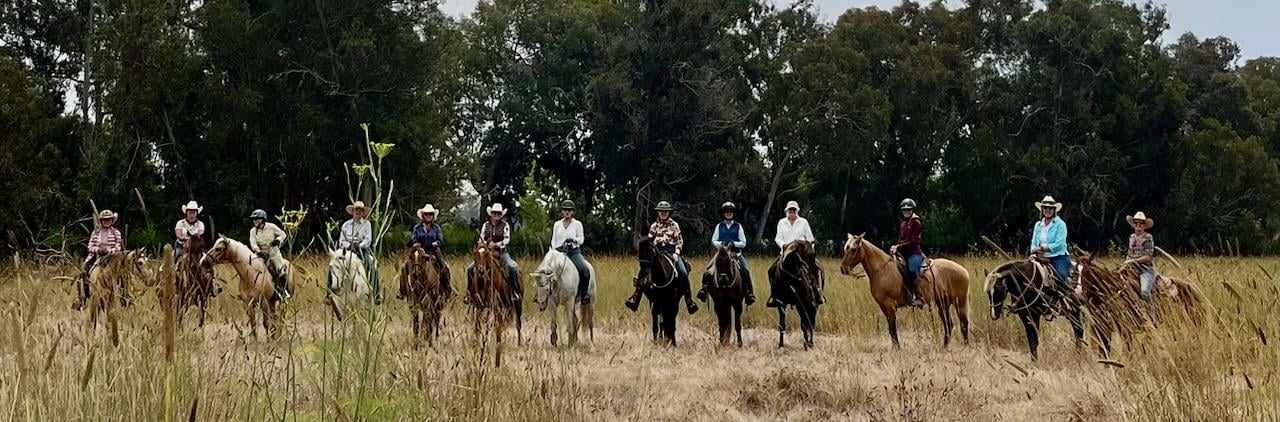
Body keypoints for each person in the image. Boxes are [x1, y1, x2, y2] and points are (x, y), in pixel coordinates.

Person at [625, 201, 698, 314]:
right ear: (658, 212)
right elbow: (649, 241)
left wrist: (676, 253)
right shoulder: (654, 226)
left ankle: (689, 301)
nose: (663, 213)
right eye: (661, 211)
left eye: (665, 211)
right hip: (657, 253)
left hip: (671, 253)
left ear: (669, 212)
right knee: (642, 271)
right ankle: (635, 298)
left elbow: (679, 241)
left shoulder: (674, 225)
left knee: (683, 272)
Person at [697, 201, 755, 305]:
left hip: (735, 254)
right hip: (721, 254)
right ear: (723, 213)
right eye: (726, 211)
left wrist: (734, 244)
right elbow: (713, 240)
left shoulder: (738, 226)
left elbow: (744, 243)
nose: (728, 213)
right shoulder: (719, 226)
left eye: (731, 211)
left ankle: (749, 293)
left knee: (745, 271)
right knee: (708, 271)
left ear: (733, 213)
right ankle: (704, 290)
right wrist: (721, 244)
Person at [469, 203, 521, 301]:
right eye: (494, 213)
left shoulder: (505, 225)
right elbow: (482, 238)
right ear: (491, 214)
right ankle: (470, 293)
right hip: (486, 253)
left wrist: (496, 244)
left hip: (501, 252)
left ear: (501, 215)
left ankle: (514, 292)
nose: (496, 215)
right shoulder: (486, 225)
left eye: (498, 213)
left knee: (512, 267)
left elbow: (507, 239)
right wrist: (483, 244)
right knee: (470, 268)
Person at [770, 201, 819, 307]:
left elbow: (810, 239)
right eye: (790, 210)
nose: (792, 212)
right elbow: (778, 238)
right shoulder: (781, 222)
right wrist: (784, 246)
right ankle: (775, 296)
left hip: (801, 255)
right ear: (786, 211)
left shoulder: (804, 222)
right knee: (771, 270)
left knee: (815, 268)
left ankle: (817, 293)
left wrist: (808, 250)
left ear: (797, 211)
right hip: (786, 254)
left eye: (794, 210)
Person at [75, 209, 123, 310]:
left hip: (112, 258)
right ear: (101, 221)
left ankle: (124, 296)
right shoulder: (95, 232)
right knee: (83, 271)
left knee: (122, 273)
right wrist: (98, 250)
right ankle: (82, 298)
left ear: (112, 220)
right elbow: (90, 246)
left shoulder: (116, 233)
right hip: (96, 256)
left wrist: (109, 251)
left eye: (109, 219)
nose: (107, 221)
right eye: (104, 220)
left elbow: (118, 246)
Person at [1029, 196, 1071, 310]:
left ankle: (1063, 300)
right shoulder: (1038, 225)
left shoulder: (1060, 224)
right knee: (1027, 274)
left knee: (1061, 275)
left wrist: (1043, 248)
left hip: (1057, 256)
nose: (1047, 210)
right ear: (1042, 209)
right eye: (1045, 208)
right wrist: (1034, 250)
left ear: (1054, 210)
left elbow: (1060, 244)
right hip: (1039, 256)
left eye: (1050, 208)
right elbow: (1033, 242)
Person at [551, 200, 592, 304]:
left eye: (569, 210)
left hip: (573, 252)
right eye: (565, 210)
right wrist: (555, 250)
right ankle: (542, 296)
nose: (567, 212)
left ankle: (584, 294)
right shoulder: (557, 224)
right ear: (562, 212)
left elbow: (581, 239)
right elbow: (553, 241)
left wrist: (574, 240)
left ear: (573, 212)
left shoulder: (577, 224)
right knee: (544, 271)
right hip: (559, 253)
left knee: (585, 270)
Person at [338, 201, 379, 303]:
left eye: (360, 210)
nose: (358, 212)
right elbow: (341, 241)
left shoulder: (367, 224)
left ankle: (376, 294)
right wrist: (348, 246)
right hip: (347, 250)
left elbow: (368, 240)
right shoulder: (346, 225)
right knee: (333, 264)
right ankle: (330, 292)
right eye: (356, 209)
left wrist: (358, 246)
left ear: (363, 212)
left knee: (372, 264)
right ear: (353, 211)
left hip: (362, 250)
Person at [889, 198, 925, 308]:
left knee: (912, 270)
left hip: (914, 253)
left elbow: (914, 241)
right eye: (904, 210)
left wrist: (898, 246)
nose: (906, 211)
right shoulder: (903, 224)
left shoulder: (916, 222)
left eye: (908, 209)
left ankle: (919, 298)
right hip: (904, 253)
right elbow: (902, 239)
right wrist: (895, 247)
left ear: (912, 210)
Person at [407, 203, 451, 295]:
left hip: (433, 252)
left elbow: (441, 240)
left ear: (433, 216)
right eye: (426, 214)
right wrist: (415, 243)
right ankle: (402, 290)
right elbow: (413, 239)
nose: (428, 216)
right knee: (405, 267)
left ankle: (447, 288)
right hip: (419, 252)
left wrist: (435, 243)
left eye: (430, 214)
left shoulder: (436, 228)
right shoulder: (417, 228)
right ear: (423, 215)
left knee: (445, 267)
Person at [249, 209, 290, 299]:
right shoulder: (252, 231)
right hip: (261, 255)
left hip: (274, 254)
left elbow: (283, 234)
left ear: (263, 219)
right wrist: (258, 251)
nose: (254, 221)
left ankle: (285, 291)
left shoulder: (271, 227)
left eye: (257, 219)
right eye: (253, 219)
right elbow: (253, 243)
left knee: (280, 270)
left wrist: (278, 240)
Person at [1124, 212, 1157, 301]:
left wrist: (1134, 261)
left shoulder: (1148, 237)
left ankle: (1152, 311)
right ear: (1133, 225)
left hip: (1145, 270)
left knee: (1145, 292)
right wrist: (1126, 262)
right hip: (1131, 269)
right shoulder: (1131, 237)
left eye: (1141, 223)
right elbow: (1129, 253)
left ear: (1144, 226)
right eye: (1136, 223)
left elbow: (1148, 256)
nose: (1138, 225)